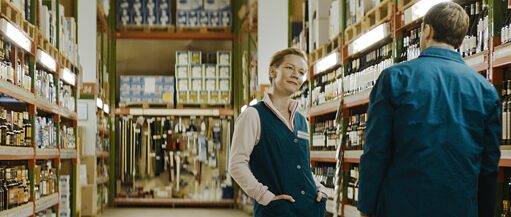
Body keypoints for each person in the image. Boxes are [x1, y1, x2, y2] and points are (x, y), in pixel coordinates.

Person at [357, 2, 501, 217]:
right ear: (460, 40)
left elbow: (376, 150)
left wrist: (366, 207)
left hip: (401, 206)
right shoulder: (485, 91)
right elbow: (489, 167)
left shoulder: (395, 78)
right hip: (460, 208)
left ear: (427, 30)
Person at [229, 48, 328, 217]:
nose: (296, 75)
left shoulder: (301, 120)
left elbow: (302, 165)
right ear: (272, 71)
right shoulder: (254, 115)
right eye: (290, 68)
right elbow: (236, 164)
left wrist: (319, 189)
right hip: (277, 211)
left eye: (302, 72)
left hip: (311, 208)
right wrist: (265, 196)